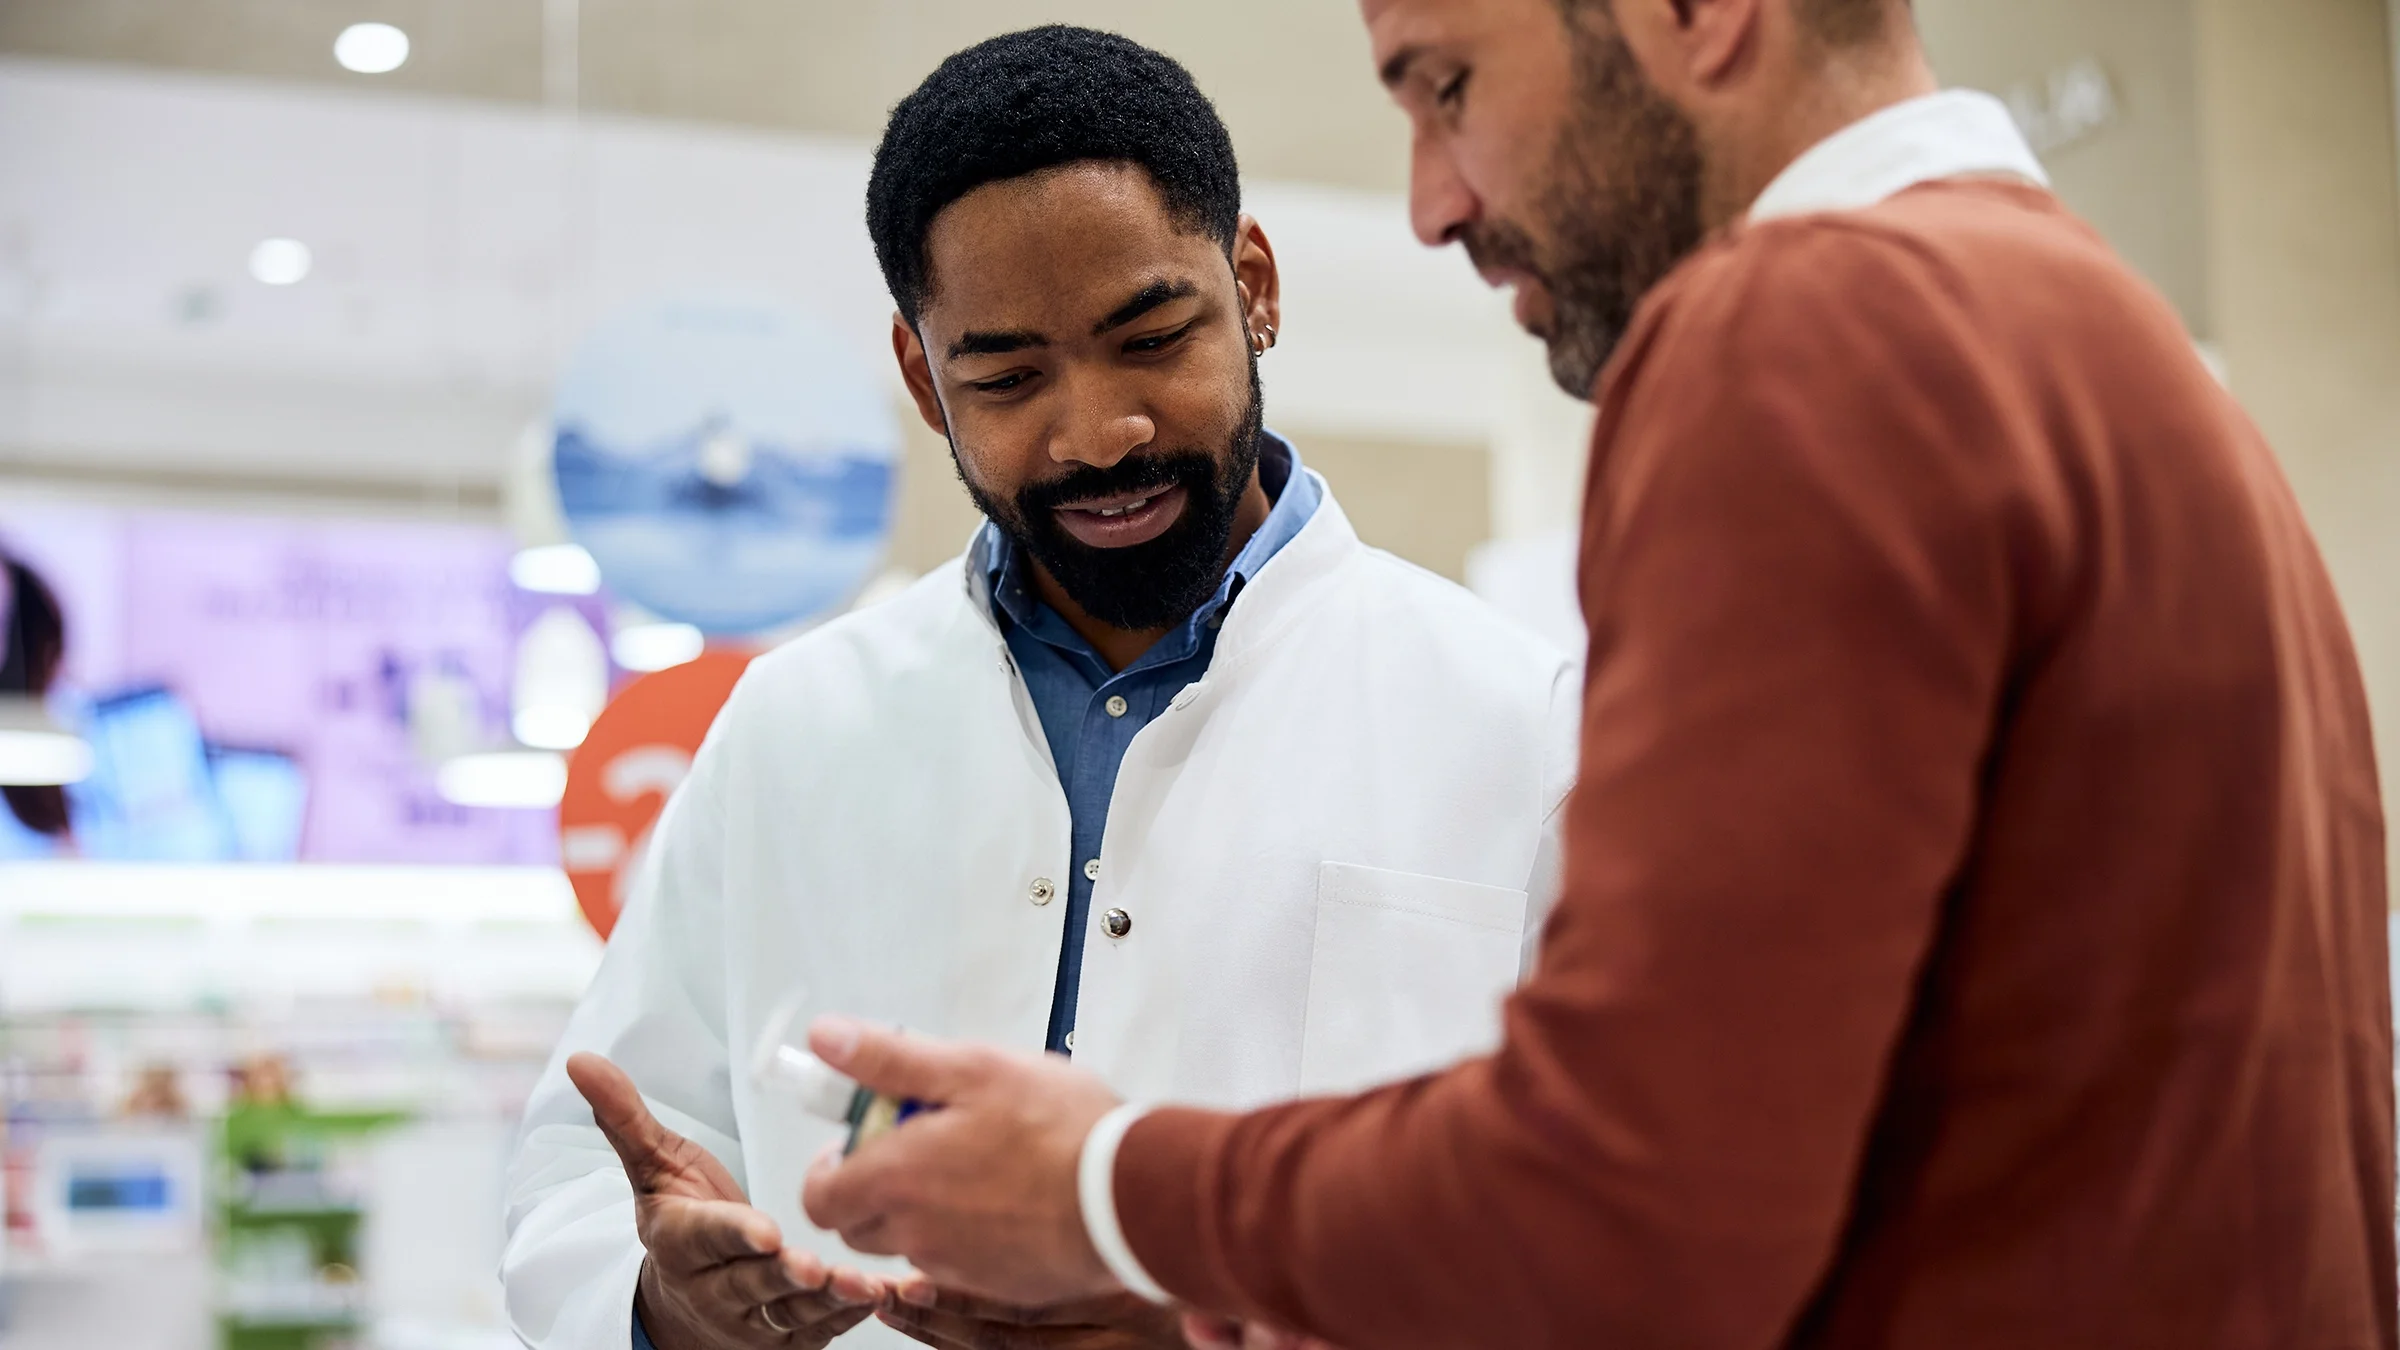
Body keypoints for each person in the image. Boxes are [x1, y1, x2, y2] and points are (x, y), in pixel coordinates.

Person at [794, 1, 2398, 1347]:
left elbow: (1648, 1200)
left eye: (1448, 83)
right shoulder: (2117, 349)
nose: (1430, 199)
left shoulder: (1802, 328)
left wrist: (1103, 1188)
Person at [500, 25, 1577, 1350]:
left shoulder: (1522, 723)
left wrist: (1208, 1319)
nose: (1096, 432)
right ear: (922, 378)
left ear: (1254, 289)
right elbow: (586, 1174)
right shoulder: (795, 727)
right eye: (1006, 377)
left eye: (1151, 336)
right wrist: (666, 1302)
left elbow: (1616, 1233)